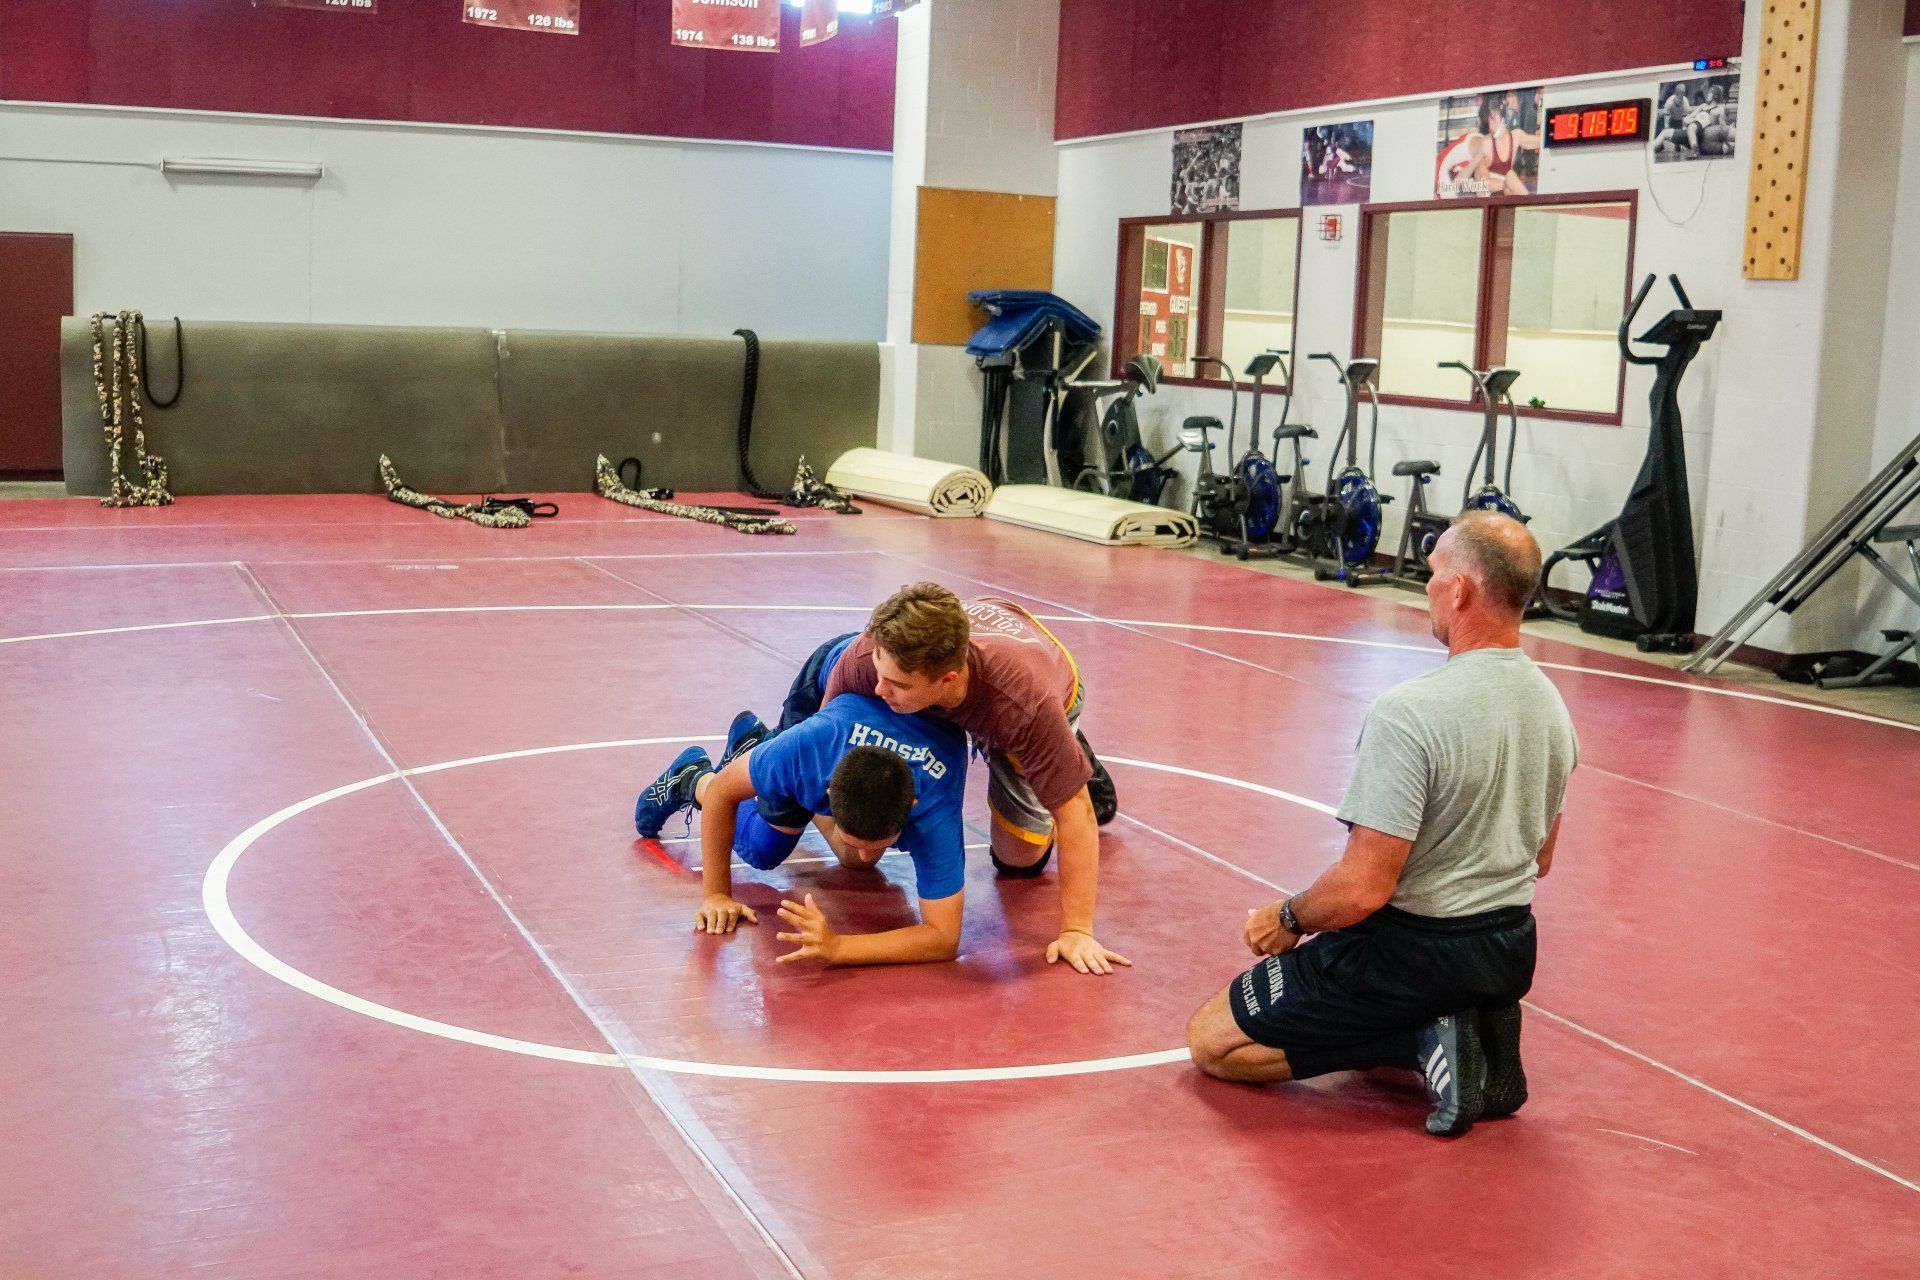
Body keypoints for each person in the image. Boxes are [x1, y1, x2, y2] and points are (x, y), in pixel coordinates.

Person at [1185, 512, 1578, 1136]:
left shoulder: (1410, 713)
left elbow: (1363, 889)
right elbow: (1542, 859)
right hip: (1507, 953)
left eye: (1433, 574)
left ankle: (1420, 1036)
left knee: (1214, 1043)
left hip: (1408, 956)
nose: (1427, 588)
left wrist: (1287, 918)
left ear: (1460, 590)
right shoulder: (1553, 707)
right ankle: (1458, 1025)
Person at [797, 583, 1131, 977]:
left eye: (897, 684)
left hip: (1033, 697)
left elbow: (1076, 811)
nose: (877, 688)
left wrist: (1077, 930)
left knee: (1018, 862)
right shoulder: (869, 657)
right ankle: (1059, 759)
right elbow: (830, 739)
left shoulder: (1025, 706)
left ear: (948, 679)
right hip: (971, 674)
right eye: (880, 671)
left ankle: (1069, 756)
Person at [633, 688, 970, 967]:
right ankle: (693, 776)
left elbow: (943, 939)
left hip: (892, 717)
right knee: (764, 849)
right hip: (823, 689)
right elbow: (723, 791)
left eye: (880, 843)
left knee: (855, 859)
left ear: (912, 806)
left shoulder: (936, 812)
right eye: (857, 840)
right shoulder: (808, 749)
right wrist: (717, 894)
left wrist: (840, 947)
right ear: (827, 796)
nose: (869, 855)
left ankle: (753, 750)